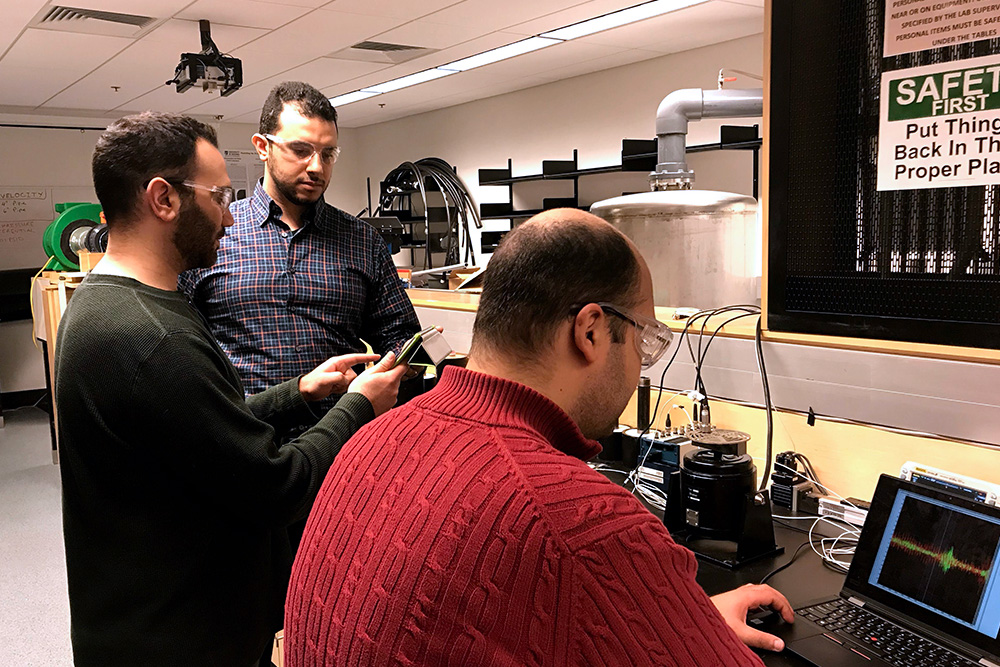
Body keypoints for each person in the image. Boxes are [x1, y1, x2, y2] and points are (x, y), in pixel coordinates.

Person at [284, 209, 795, 666]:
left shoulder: (374, 437)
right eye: (645, 339)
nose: (642, 361)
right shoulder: (583, 522)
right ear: (590, 330)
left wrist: (676, 619)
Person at [55, 111, 408, 667]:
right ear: (163, 200)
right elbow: (277, 486)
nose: (227, 218)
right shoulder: (152, 336)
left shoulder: (112, 304)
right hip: (176, 637)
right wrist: (359, 404)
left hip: (157, 616)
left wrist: (300, 391)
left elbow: (197, 419)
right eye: (218, 196)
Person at [179, 81, 420, 422]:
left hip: (341, 437)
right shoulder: (217, 232)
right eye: (300, 150)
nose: (317, 167)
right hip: (244, 439)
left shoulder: (362, 240)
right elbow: (184, 352)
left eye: (328, 154)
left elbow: (401, 335)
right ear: (263, 147)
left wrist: (385, 372)